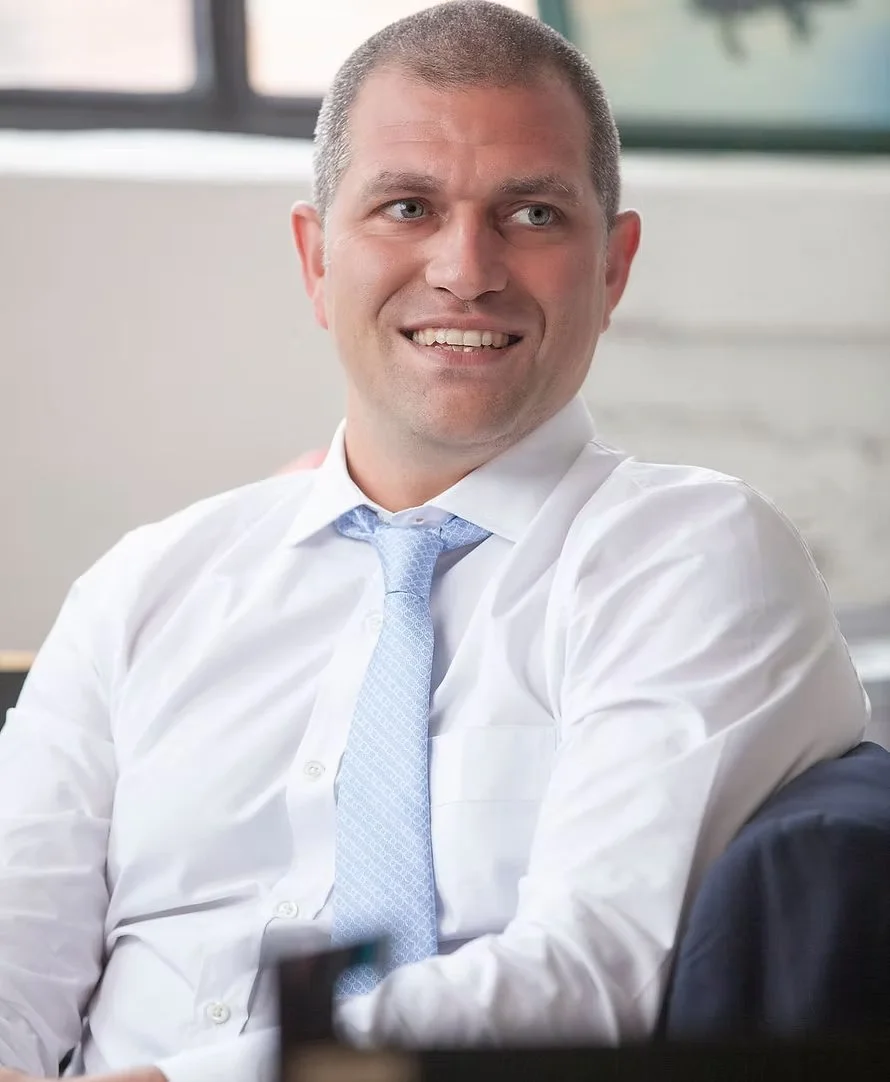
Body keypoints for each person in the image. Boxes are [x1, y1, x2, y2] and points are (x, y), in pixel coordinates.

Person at [0, 3, 869, 1082]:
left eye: (532, 213)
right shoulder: (143, 587)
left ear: (613, 266)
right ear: (316, 260)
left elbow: (588, 976)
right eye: (407, 207)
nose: (465, 268)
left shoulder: (691, 558)